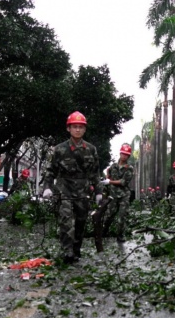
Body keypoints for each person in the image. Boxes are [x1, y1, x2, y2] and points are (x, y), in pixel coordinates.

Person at [42, 111, 103, 264]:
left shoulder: (91, 149)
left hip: (83, 192)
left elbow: (95, 172)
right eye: (74, 127)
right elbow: (51, 170)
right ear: (68, 128)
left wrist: (98, 191)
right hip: (64, 190)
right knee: (66, 222)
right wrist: (47, 187)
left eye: (80, 127)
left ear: (84, 129)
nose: (77, 130)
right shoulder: (59, 149)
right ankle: (67, 252)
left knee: (81, 223)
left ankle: (76, 250)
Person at [102, 144, 134, 243]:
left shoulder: (129, 168)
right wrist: (107, 178)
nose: (124, 156)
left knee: (122, 216)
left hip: (124, 195)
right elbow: (108, 175)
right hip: (113, 195)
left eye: (126, 155)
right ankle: (104, 231)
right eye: (123, 154)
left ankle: (120, 235)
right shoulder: (113, 166)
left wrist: (110, 182)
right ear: (120, 153)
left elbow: (123, 182)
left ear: (128, 156)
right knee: (109, 215)